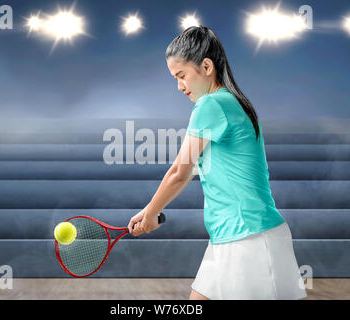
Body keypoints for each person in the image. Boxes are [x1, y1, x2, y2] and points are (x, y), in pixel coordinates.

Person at [127, 26, 307, 300]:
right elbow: (187, 174)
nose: (179, 86)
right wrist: (150, 209)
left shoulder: (211, 106)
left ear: (206, 66)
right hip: (228, 237)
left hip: (250, 240)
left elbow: (179, 170)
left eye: (182, 75)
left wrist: (152, 213)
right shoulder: (232, 102)